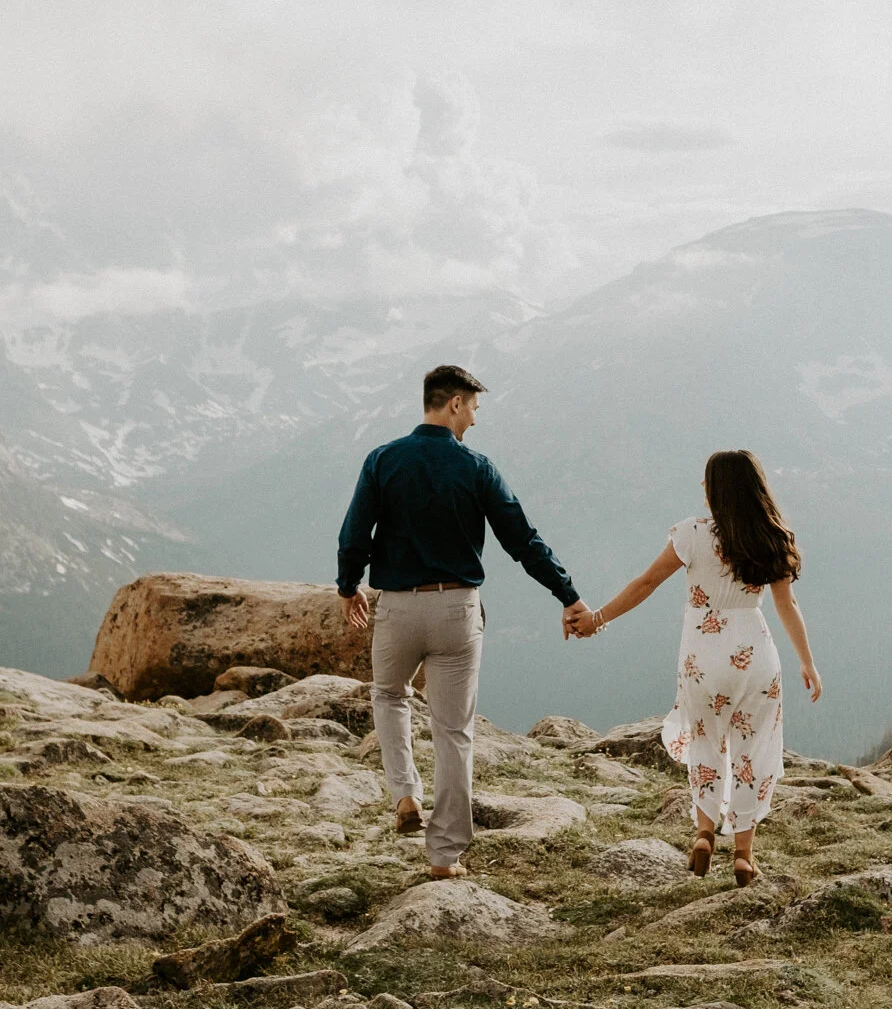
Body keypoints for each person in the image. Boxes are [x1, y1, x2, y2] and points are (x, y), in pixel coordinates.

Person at [338, 363, 589, 878]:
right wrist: (568, 595)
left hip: (398, 606)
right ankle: (444, 855)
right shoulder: (477, 467)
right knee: (454, 730)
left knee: (389, 696)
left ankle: (405, 793)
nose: (475, 418)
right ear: (454, 403)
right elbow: (522, 540)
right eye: (474, 407)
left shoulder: (382, 459)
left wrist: (347, 587)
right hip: (456, 608)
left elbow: (354, 534)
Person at [568, 449, 822, 887]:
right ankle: (743, 854)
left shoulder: (690, 534)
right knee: (753, 751)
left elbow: (645, 583)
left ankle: (705, 832)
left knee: (706, 742)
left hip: (703, 654)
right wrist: (807, 661)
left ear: (716, 490)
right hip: (755, 653)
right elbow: (787, 603)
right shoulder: (772, 537)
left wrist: (597, 619)